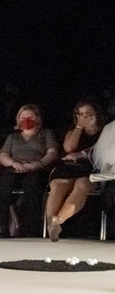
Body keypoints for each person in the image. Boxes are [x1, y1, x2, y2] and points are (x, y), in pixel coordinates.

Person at [0, 104, 59, 238]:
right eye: (23, 117)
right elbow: (3, 155)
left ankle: (31, 227)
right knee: (2, 186)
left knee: (33, 186)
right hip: (14, 168)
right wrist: (13, 163)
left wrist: (39, 163)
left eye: (30, 117)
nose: (26, 120)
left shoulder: (46, 134)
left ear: (37, 118)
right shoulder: (12, 137)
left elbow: (52, 152)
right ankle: (2, 225)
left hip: (36, 168)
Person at [45, 99, 106, 241]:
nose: (85, 116)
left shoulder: (105, 132)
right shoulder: (73, 131)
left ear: (96, 113)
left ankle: (58, 220)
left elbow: (105, 153)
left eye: (88, 113)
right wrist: (79, 127)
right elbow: (69, 148)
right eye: (81, 114)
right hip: (69, 167)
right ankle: (51, 223)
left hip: (91, 168)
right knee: (58, 185)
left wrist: (84, 154)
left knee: (82, 185)